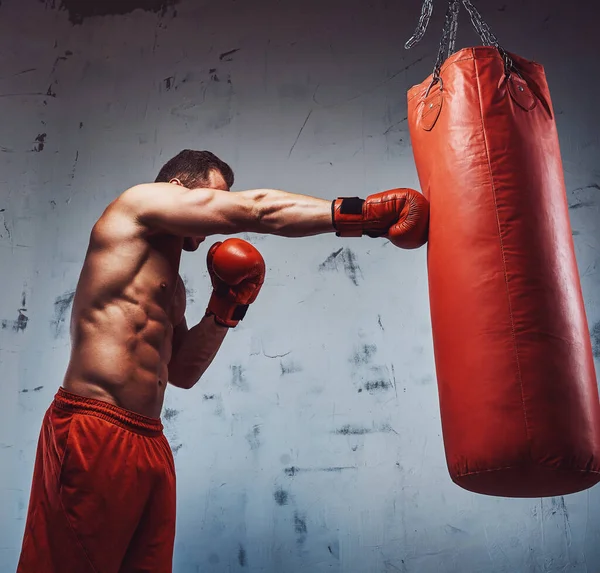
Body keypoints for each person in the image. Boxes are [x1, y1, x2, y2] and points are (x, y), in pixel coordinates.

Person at [16, 149, 430, 573]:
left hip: (149, 441)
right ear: (176, 188)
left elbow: (182, 373)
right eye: (213, 200)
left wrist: (225, 308)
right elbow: (254, 210)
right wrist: (361, 216)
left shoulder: (171, 285)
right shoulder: (137, 203)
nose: (215, 216)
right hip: (94, 428)